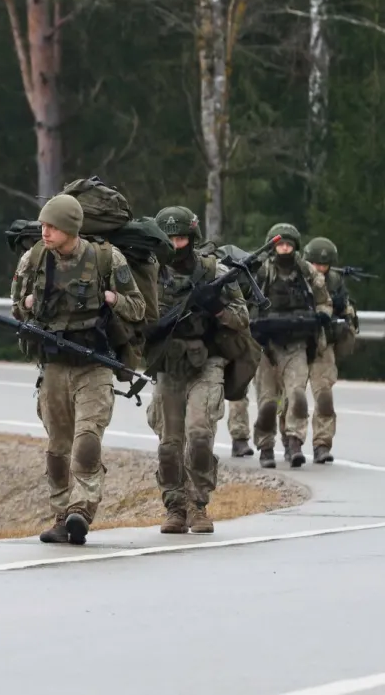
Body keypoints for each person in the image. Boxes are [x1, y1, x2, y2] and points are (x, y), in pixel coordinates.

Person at [11, 194, 146, 546]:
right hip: (54, 363)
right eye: (42, 225)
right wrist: (25, 306)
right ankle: (60, 515)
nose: (44, 232)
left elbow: (138, 307)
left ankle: (81, 510)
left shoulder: (105, 258)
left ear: (70, 228)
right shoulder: (34, 259)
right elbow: (15, 307)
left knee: (86, 440)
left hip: (94, 364)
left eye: (52, 226)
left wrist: (112, 299)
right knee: (57, 449)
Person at [146, 207, 251, 534]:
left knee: (200, 435)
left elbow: (242, 318)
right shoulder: (151, 274)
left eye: (182, 238)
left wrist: (216, 307)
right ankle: (174, 506)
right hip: (168, 366)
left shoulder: (213, 271)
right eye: (171, 238)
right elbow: (136, 316)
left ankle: (198, 503)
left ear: (192, 238)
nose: (177, 245)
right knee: (169, 444)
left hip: (207, 362)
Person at [248, 223, 332, 469]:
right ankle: (265, 446)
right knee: (267, 403)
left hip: (296, 345)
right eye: (279, 244)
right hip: (266, 346)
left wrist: (322, 315)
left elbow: (323, 300)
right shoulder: (261, 272)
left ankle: (294, 441)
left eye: (288, 245)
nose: (284, 249)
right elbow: (241, 300)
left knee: (297, 395)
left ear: (295, 246)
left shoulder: (306, 272)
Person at [301, 236, 359, 464]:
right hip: (294, 343)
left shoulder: (335, 282)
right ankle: (292, 440)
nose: (320, 269)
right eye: (315, 264)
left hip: (323, 345)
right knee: (291, 399)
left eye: (324, 265)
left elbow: (347, 313)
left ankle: (322, 444)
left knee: (324, 396)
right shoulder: (294, 279)